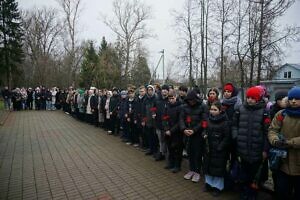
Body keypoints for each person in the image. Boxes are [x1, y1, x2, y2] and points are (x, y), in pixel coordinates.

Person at [232, 86, 270, 200]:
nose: (250, 100)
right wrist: (236, 136)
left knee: (254, 176)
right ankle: (244, 192)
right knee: (243, 173)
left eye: (253, 98)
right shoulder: (240, 109)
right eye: (248, 97)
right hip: (242, 148)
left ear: (258, 98)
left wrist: (265, 149)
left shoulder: (264, 112)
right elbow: (234, 125)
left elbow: (267, 132)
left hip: (256, 150)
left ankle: (252, 194)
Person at [268, 87, 300, 200]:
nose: (294, 101)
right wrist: (275, 140)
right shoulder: (282, 114)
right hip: (282, 162)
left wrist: (290, 142)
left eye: (297, 99)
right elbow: (272, 130)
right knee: (282, 192)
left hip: (298, 161)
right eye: (291, 99)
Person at [180, 90, 208, 183]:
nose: (191, 102)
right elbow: (181, 119)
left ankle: (197, 172)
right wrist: (184, 129)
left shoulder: (202, 106)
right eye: (189, 100)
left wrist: (194, 130)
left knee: (197, 153)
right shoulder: (184, 106)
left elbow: (204, 121)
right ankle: (191, 170)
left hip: (198, 134)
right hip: (187, 133)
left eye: (192, 100)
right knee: (190, 152)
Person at [203, 101, 230, 196]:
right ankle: (208, 184)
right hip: (208, 148)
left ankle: (217, 187)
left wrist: (220, 147)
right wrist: (204, 135)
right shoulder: (208, 120)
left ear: (220, 110)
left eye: (215, 110)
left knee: (218, 169)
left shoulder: (225, 122)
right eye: (211, 109)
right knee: (208, 167)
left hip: (219, 150)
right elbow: (204, 130)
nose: (212, 111)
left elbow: (227, 137)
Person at [163, 90, 182, 173]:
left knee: (177, 150)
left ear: (176, 97)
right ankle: (171, 163)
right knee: (170, 148)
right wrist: (166, 129)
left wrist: (171, 130)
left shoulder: (180, 107)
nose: (171, 100)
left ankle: (177, 166)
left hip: (176, 132)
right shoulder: (167, 106)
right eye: (169, 98)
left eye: (172, 98)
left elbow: (180, 121)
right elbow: (164, 118)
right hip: (168, 131)